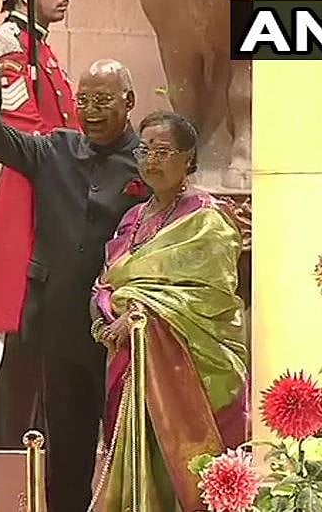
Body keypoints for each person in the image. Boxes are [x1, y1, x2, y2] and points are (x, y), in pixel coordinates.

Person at [0, 13, 150, 511]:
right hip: (60, 327)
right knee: (68, 455)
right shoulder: (54, 150)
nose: (91, 111)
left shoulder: (149, 162)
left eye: (103, 101)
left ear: (129, 103)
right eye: (84, 100)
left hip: (126, 334)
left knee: (132, 454)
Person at [88, 110, 248, 512]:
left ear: (188, 158)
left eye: (162, 151)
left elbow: (211, 295)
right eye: (144, 150)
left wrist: (141, 314)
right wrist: (106, 311)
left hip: (190, 362)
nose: (151, 160)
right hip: (129, 360)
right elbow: (108, 282)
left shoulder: (207, 218)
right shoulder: (132, 218)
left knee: (181, 466)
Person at [0, 0, 79, 473]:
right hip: (31, 199)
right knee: (19, 340)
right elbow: (22, 127)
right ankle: (11, 476)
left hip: (55, 195)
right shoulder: (9, 43)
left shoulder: (39, 45)